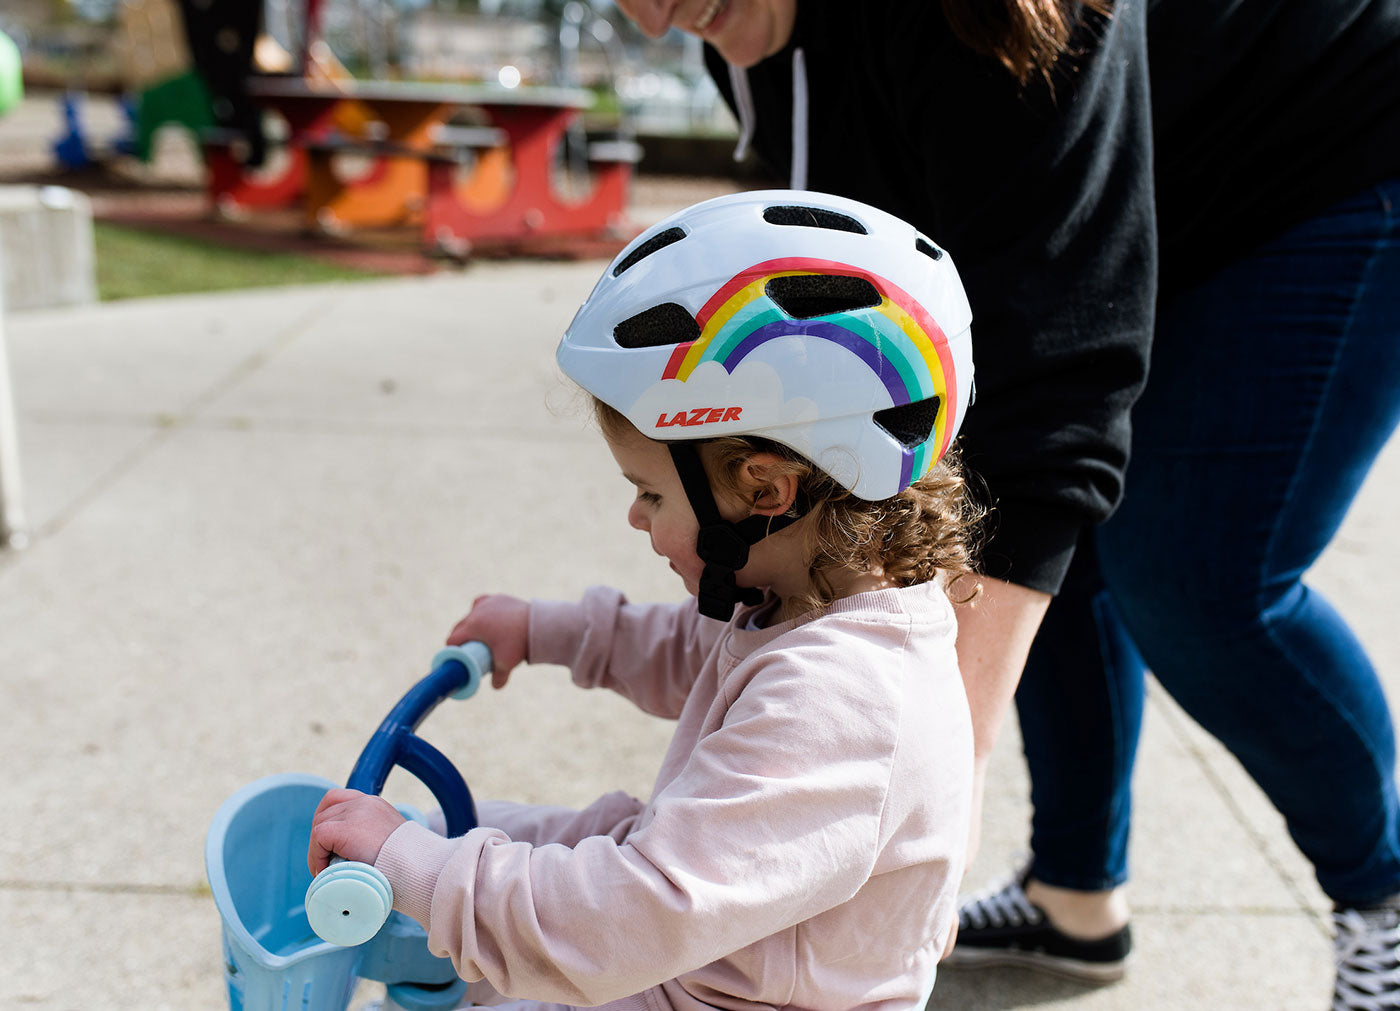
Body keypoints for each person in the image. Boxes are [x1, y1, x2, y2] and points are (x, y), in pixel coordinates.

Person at [609, 0, 1400, 1005]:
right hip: (1138, 180)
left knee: (1194, 580)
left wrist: (926, 781)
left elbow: (1058, 389)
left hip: (1318, 155)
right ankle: (1072, 900)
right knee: (997, 517)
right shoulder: (737, 25)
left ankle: (1383, 898)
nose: (653, 11)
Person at [308, 189, 984, 1010]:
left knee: (469, 872)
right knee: (479, 831)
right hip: (700, 953)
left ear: (765, 489)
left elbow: (630, 918)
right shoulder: (810, 598)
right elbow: (697, 654)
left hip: (697, 976)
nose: (636, 517)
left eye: (651, 493)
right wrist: (551, 630)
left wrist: (411, 868)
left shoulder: (846, 701)